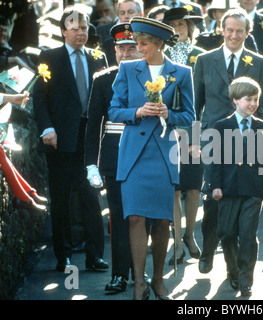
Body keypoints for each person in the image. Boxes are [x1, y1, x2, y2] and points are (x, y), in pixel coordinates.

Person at [108, 16, 195, 300]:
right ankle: (139, 284)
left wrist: (169, 113)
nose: (138, 48)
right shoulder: (127, 69)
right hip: (133, 154)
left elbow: (189, 116)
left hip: (162, 154)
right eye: (137, 43)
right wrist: (137, 112)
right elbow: (113, 110)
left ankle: (158, 280)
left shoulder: (181, 73)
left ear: (158, 44)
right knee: (134, 218)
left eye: (143, 43)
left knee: (161, 220)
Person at [33, 6, 109, 273]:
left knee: (91, 196)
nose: (80, 32)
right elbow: (39, 98)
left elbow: (106, 99)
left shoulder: (98, 57)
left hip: (91, 140)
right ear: (64, 31)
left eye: (84, 27)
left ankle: (94, 255)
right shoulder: (49, 57)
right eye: (74, 27)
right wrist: (47, 129)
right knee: (62, 199)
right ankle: (63, 255)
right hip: (60, 140)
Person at [193, 7, 263, 275]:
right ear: (221, 30)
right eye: (230, 29)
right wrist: (193, 140)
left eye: (240, 30)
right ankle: (208, 251)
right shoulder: (204, 60)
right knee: (212, 200)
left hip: (246, 139)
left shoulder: (259, 62)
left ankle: (234, 267)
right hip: (213, 138)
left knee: (242, 201)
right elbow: (195, 104)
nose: (234, 35)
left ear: (248, 33)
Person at [85, 22, 141, 293]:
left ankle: (142, 273)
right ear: (114, 51)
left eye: (132, 48)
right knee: (118, 218)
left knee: (142, 218)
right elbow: (93, 125)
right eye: (122, 49)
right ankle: (120, 274)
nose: (127, 54)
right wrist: (90, 163)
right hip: (114, 157)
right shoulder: (103, 80)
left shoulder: (154, 77)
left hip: (145, 156)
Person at [210, 76, 263, 297]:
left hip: (253, 189)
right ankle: (233, 269)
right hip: (227, 189)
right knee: (226, 233)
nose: (253, 104)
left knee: (247, 234)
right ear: (235, 100)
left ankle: (246, 279)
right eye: (248, 99)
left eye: (256, 99)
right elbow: (215, 160)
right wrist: (215, 185)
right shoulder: (221, 126)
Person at [162, 6, 204, 265]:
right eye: (173, 25)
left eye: (182, 25)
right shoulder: (160, 56)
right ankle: (176, 241)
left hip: (195, 127)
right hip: (166, 129)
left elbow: (205, 96)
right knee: (173, 189)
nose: (178, 29)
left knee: (193, 186)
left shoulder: (201, 56)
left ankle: (190, 235)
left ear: (190, 28)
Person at [97, 0, 145, 65]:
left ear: (141, 15)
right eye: (122, 13)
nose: (126, 16)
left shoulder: (147, 38)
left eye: (130, 12)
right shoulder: (108, 42)